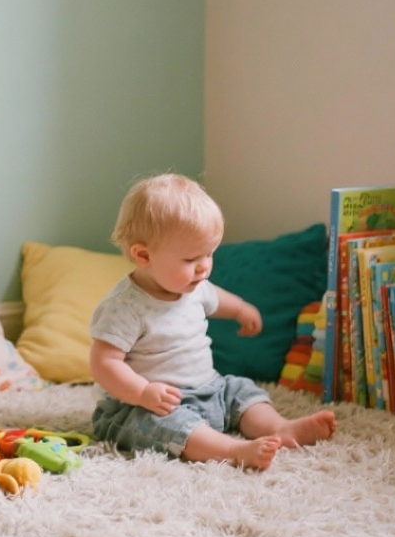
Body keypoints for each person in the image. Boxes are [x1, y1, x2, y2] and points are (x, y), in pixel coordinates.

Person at [89, 173, 337, 470]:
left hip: (209, 388)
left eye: (209, 254)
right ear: (143, 255)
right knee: (169, 426)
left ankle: (280, 427)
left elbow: (215, 297)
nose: (204, 267)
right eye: (191, 259)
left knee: (241, 391)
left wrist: (241, 310)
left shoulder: (193, 286)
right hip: (145, 405)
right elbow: (104, 363)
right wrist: (142, 392)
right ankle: (234, 450)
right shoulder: (125, 307)